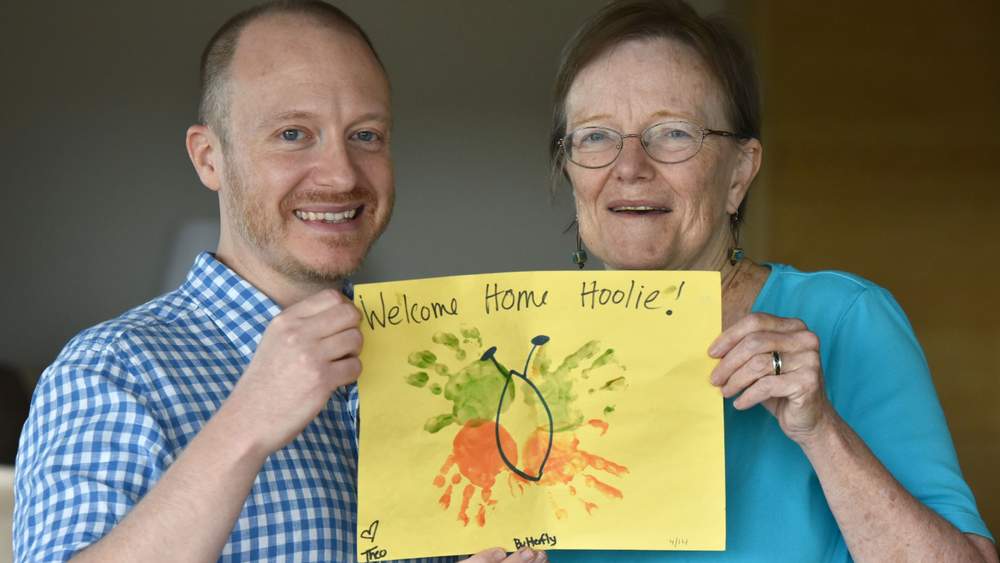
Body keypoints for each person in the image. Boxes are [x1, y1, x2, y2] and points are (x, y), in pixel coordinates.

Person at [14, 2, 541, 562]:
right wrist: (247, 422)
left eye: (366, 135)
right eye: (293, 134)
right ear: (209, 158)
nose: (341, 175)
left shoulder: (449, 368)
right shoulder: (113, 370)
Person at [545, 0, 996, 561]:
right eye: (594, 136)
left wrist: (821, 431)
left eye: (673, 133)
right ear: (568, 169)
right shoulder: (524, 352)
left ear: (738, 172)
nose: (630, 166)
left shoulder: (845, 321)